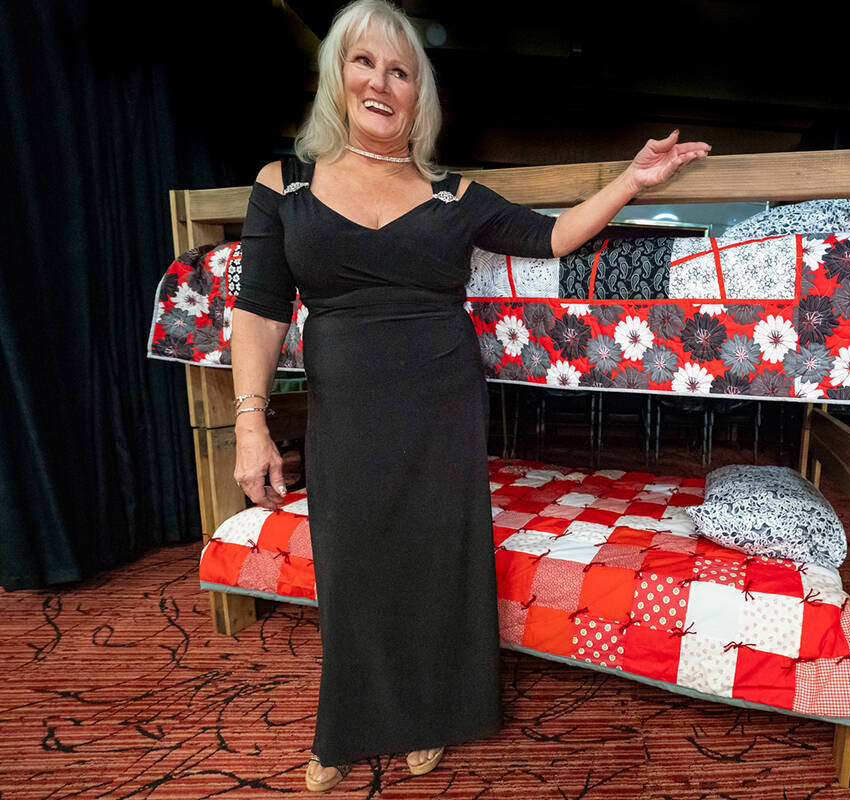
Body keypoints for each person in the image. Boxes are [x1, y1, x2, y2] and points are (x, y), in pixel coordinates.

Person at [230, 0, 709, 792]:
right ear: (336, 75)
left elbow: (552, 237)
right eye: (364, 62)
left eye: (401, 71)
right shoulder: (286, 183)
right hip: (346, 406)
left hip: (441, 396)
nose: (381, 82)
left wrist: (633, 178)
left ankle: (433, 712)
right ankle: (348, 723)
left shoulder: (457, 196)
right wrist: (251, 420)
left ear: (420, 95)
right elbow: (260, 307)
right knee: (352, 561)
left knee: (434, 556)